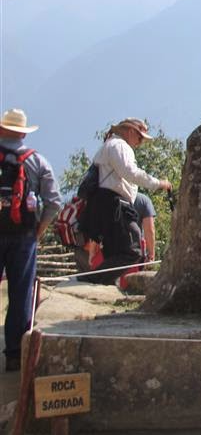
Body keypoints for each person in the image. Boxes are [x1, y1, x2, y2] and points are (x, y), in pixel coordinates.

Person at [0, 109, 62, 372]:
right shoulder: (37, 161)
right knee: (21, 293)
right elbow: (54, 202)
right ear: (23, 134)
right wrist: (39, 230)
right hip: (24, 236)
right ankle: (15, 354)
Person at [81, 118, 171, 283]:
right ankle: (93, 280)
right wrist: (158, 183)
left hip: (104, 203)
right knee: (133, 250)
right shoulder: (120, 145)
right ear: (130, 131)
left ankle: (101, 282)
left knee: (115, 251)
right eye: (140, 137)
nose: (140, 142)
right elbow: (130, 172)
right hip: (114, 204)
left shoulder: (110, 145)